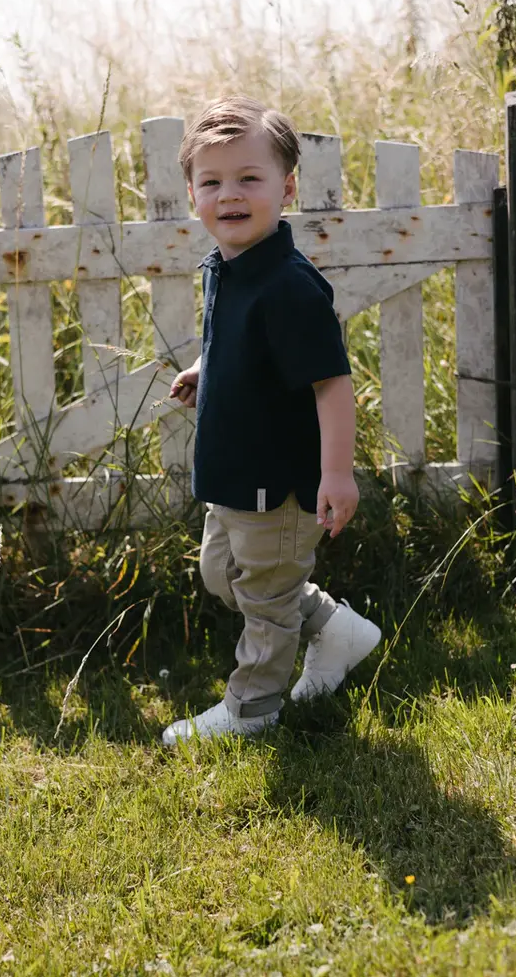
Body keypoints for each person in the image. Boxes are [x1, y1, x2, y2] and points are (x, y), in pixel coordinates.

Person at [161, 96, 381, 746]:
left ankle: (251, 711)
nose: (229, 194)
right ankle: (335, 630)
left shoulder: (288, 285)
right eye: (212, 181)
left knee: (263, 597)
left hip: (277, 486)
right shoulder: (227, 268)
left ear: (285, 188)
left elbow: (332, 382)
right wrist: (206, 367)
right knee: (221, 574)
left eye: (248, 179)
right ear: (193, 194)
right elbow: (238, 338)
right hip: (232, 476)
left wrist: (336, 473)